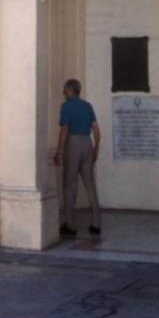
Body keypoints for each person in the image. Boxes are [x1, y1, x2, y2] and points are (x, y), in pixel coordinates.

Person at [54, 79, 101, 236]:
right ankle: (96, 222)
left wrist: (60, 151)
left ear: (70, 90)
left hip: (73, 143)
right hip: (87, 143)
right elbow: (96, 129)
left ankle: (71, 224)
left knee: (70, 185)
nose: (63, 92)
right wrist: (96, 149)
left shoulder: (66, 106)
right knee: (90, 183)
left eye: (64, 90)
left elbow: (64, 130)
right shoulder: (87, 106)